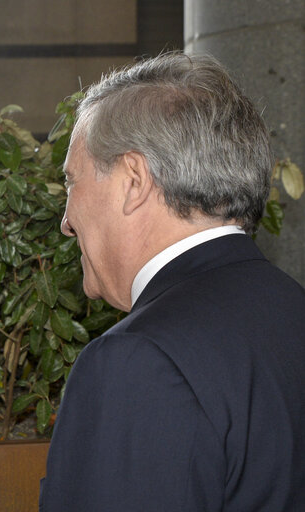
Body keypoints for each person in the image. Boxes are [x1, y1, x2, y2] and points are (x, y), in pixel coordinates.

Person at [39, 52, 305, 510]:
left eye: (71, 183)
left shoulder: (139, 361)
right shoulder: (290, 305)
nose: (65, 221)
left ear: (133, 180)